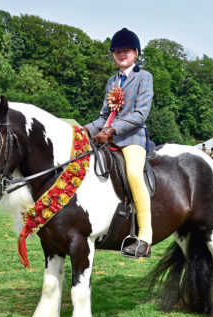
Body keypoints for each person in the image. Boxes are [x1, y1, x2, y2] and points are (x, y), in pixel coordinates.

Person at [84, 28, 153, 258]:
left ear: (135, 53)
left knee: (133, 173)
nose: (121, 54)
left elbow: (140, 114)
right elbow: (104, 115)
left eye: (125, 50)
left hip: (132, 138)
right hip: (107, 136)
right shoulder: (112, 81)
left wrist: (112, 130)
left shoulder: (144, 77)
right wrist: (84, 130)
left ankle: (145, 237)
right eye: (117, 51)